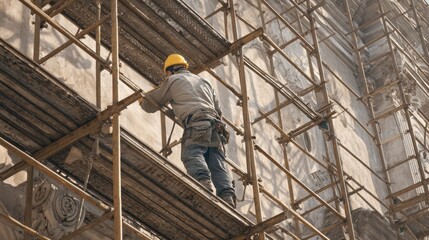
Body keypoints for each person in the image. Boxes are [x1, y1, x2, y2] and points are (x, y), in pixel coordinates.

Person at [139, 53, 236, 208]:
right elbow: (218, 110)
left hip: (196, 122)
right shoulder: (204, 81)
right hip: (215, 125)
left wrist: (142, 99)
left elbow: (150, 104)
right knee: (216, 161)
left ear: (169, 71)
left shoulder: (173, 80)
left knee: (192, 153)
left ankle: (203, 184)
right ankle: (227, 196)